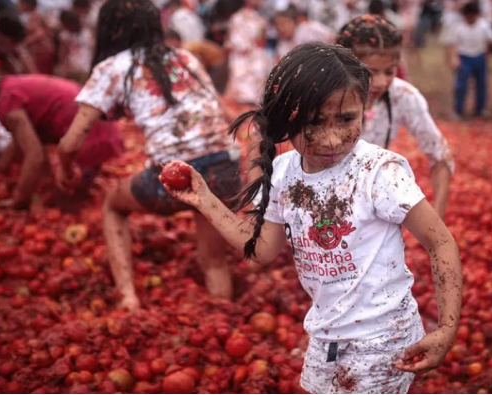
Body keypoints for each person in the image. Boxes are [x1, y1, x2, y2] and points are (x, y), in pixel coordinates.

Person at [161, 43, 462, 394]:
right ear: (286, 118)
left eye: (347, 119)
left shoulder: (378, 172)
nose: (332, 138)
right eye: (314, 123)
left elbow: (440, 242)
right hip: (325, 333)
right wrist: (204, 200)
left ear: (363, 109)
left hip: (383, 335)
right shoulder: (284, 173)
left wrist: (447, 327)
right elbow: (261, 251)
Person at [57, 0, 242, 310]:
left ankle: (128, 297)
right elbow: (225, 113)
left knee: (113, 205)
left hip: (177, 175)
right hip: (226, 166)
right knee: (213, 259)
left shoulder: (113, 67)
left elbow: (71, 142)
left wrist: (63, 169)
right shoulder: (184, 57)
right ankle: (222, 314)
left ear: (111, 29)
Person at [0, 61, 124, 209]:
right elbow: (22, 140)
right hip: (98, 122)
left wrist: (19, 199)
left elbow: (34, 155)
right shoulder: (9, 85)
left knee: (66, 204)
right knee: (72, 193)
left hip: (87, 135)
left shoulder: (6, 104)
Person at [338, 15, 454, 219]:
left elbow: (440, 155)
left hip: (370, 195)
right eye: (370, 72)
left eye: (389, 72)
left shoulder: (402, 96)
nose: (382, 82)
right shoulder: (324, 94)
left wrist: (437, 223)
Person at [445, 2, 492, 118]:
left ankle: (480, 109)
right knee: (461, 86)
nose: (470, 19)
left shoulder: (484, 26)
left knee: (481, 84)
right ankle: (458, 110)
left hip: (479, 57)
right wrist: (453, 58)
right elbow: (452, 45)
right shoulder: (458, 27)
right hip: (464, 57)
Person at [224, 0, 270, 105]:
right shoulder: (237, 17)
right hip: (241, 57)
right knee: (242, 94)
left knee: (256, 93)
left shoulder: (260, 18)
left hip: (256, 56)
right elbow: (235, 41)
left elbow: (262, 39)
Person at [57, 10, 93, 82]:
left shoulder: (86, 33)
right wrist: (65, 67)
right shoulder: (65, 35)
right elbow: (62, 54)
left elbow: (92, 49)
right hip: (72, 68)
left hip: (85, 68)